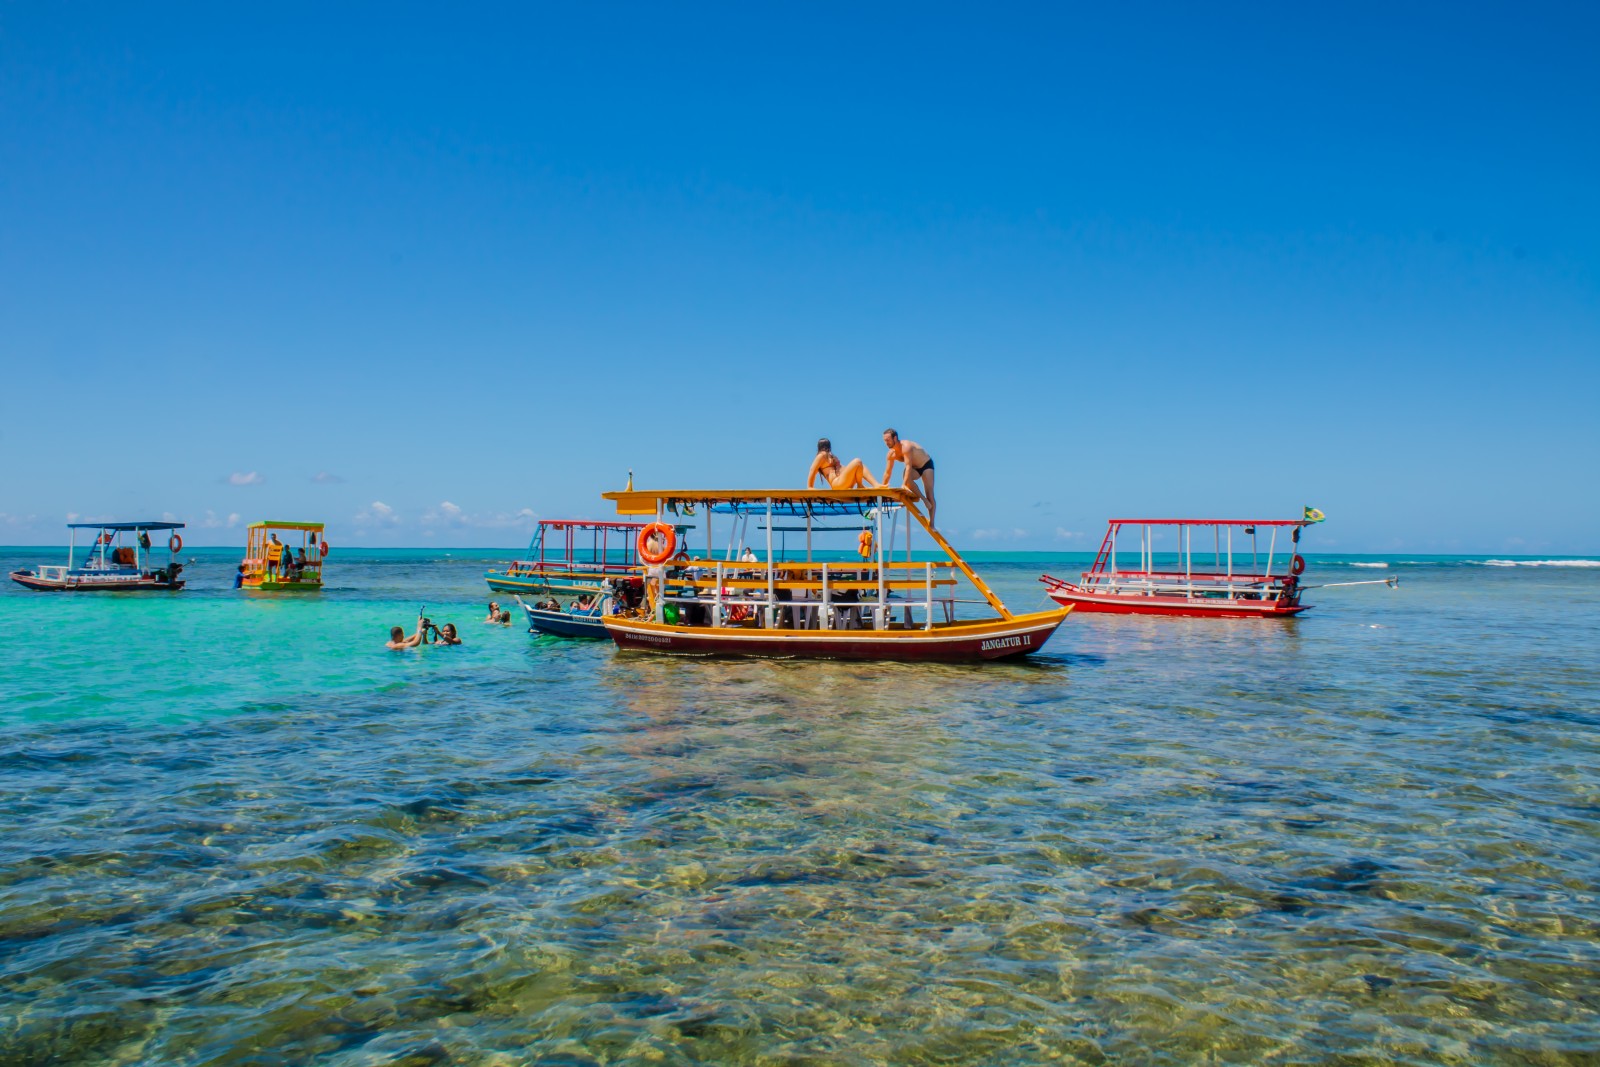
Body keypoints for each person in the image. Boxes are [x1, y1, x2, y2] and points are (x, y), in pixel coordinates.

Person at [881, 428, 937, 528]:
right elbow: (887, 473)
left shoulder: (906, 447)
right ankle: (923, 499)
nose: (886, 443)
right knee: (906, 479)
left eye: (888, 440)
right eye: (885, 440)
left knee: (930, 494)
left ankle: (932, 523)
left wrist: (903, 484)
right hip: (915, 468)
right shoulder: (891, 454)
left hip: (926, 465)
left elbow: (908, 466)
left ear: (895, 438)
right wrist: (882, 487)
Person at [807, 437, 881, 490]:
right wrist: (810, 486)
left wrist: (853, 470)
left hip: (843, 482)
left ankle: (875, 484)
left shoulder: (831, 457)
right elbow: (812, 470)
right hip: (837, 484)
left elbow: (844, 469)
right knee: (857, 461)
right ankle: (860, 485)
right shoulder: (821, 455)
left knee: (861, 465)